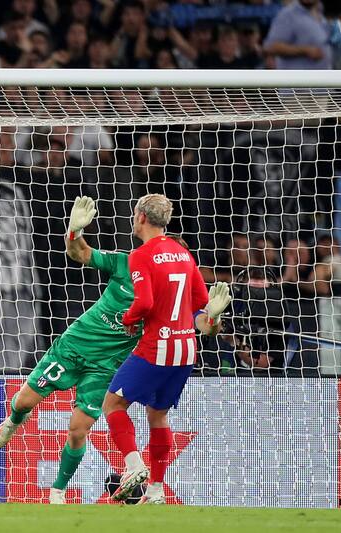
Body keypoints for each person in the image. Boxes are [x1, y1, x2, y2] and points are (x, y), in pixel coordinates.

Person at [0, 196, 229, 505]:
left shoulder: (166, 288)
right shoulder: (125, 262)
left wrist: (213, 317)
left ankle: (57, 493)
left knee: (78, 430)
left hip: (108, 365)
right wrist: (74, 232)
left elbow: (200, 323)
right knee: (23, 402)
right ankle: (12, 422)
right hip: (76, 345)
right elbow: (81, 253)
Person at [102, 194, 230, 504]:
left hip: (157, 346)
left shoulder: (141, 255)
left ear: (141, 218)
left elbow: (143, 303)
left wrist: (128, 318)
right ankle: (157, 491)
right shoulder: (184, 255)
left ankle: (134, 468)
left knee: (113, 405)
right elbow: (201, 313)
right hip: (186, 349)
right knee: (157, 416)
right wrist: (213, 318)